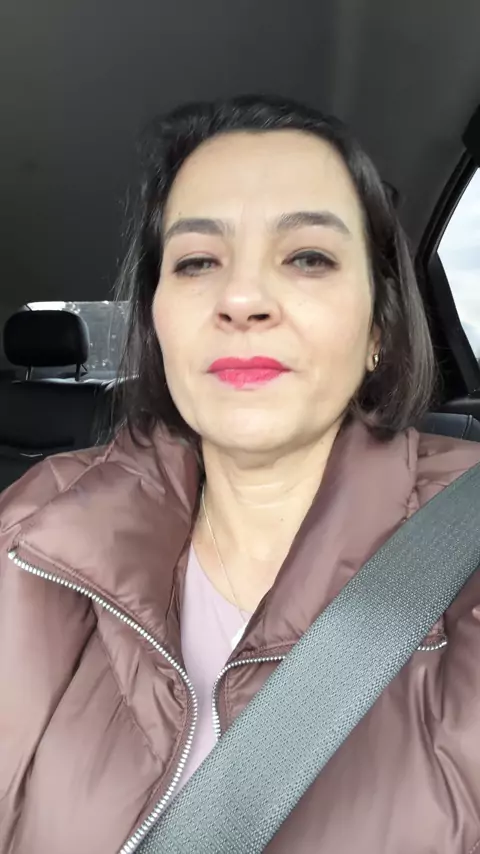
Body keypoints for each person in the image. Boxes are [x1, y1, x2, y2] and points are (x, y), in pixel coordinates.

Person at [1, 94, 480, 854]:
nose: (243, 300)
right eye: (197, 262)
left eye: (308, 257)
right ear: (157, 322)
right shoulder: (34, 531)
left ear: (378, 330)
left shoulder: (465, 542)